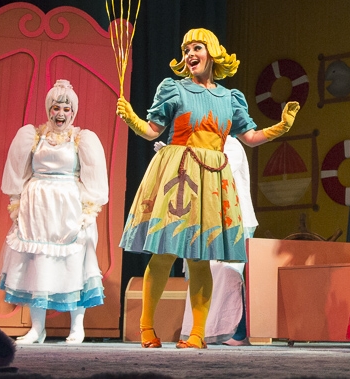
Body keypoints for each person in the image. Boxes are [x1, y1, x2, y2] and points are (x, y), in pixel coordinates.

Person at [116, 28, 299, 349]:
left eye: (196, 47)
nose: (190, 54)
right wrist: (131, 117)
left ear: (212, 53)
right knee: (164, 252)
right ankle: (147, 327)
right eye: (186, 49)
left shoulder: (230, 98)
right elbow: (152, 131)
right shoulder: (174, 89)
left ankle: (197, 335)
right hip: (179, 174)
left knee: (200, 258)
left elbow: (250, 138)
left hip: (212, 179)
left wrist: (281, 127)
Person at [0, 79, 108, 344]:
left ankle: (77, 326)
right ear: (49, 110)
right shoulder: (33, 137)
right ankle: (37, 328)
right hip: (37, 208)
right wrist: (18, 202)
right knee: (39, 264)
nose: (61, 114)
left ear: (73, 112)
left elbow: (93, 178)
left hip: (69, 208)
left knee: (74, 262)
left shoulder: (82, 140)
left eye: (66, 109)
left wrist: (88, 211)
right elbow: (19, 172)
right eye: (56, 108)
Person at [178, 135, 256, 346]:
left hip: (232, 219)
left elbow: (219, 171)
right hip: (205, 218)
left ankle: (236, 333)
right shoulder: (197, 145)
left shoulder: (231, 144)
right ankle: (204, 330)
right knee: (204, 272)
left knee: (228, 273)